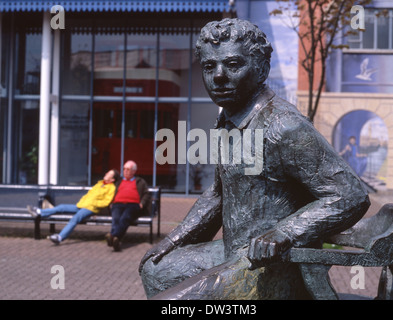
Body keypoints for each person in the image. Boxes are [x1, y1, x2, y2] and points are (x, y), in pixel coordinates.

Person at [139, 18, 370, 300]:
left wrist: (283, 233)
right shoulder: (225, 120)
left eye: (233, 65)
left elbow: (350, 195)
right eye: (209, 67)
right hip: (233, 253)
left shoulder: (284, 126)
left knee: (171, 303)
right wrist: (174, 240)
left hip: (275, 265)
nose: (219, 76)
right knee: (155, 268)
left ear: (261, 68)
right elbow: (219, 193)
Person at [27, 169, 119, 244]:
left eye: (109, 174)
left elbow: (106, 202)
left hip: (90, 208)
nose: (106, 174)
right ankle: (40, 212)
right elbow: (89, 195)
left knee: (75, 218)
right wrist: (82, 202)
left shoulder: (111, 188)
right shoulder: (100, 184)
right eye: (107, 172)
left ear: (112, 180)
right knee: (62, 207)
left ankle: (60, 237)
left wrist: (93, 204)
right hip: (81, 205)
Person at [106, 160, 151, 252]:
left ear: (134, 171)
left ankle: (113, 236)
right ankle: (116, 239)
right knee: (116, 218)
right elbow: (109, 190)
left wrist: (142, 203)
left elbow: (146, 193)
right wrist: (111, 202)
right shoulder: (119, 181)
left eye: (128, 169)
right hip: (117, 204)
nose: (125, 171)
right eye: (124, 169)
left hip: (133, 204)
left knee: (125, 218)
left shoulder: (140, 181)